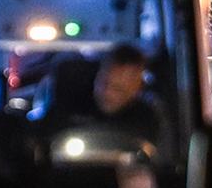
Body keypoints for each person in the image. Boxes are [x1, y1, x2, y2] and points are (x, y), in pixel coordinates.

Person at [38, 43, 168, 152]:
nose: (107, 93)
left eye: (118, 89)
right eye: (103, 83)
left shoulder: (145, 119)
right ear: (98, 74)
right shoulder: (70, 103)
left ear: (136, 89)